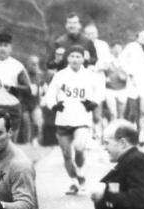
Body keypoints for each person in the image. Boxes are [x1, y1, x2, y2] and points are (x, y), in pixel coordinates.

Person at [45, 45, 104, 195]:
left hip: (82, 118)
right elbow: (50, 94)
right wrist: (54, 105)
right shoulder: (60, 75)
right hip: (63, 119)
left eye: (78, 56)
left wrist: (94, 103)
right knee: (66, 154)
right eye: (72, 56)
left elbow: (100, 92)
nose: (75, 59)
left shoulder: (90, 75)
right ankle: (73, 182)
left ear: (83, 58)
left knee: (79, 147)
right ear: (67, 58)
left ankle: (81, 172)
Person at [0, 32, 31, 143]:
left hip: (12, 107)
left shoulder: (17, 66)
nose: (3, 48)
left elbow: (28, 88)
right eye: (0, 45)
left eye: (5, 45)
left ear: (10, 48)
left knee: (10, 143)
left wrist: (14, 89)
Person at [121, 31, 144, 145]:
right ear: (137, 38)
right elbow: (122, 61)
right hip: (133, 83)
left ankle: (142, 135)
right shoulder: (130, 47)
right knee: (133, 112)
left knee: (143, 111)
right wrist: (129, 72)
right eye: (142, 37)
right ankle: (133, 133)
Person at [84, 23, 110, 140]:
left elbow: (106, 64)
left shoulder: (103, 45)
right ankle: (88, 134)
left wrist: (95, 68)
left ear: (97, 34)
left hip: (98, 77)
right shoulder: (82, 45)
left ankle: (98, 132)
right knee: (86, 104)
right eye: (88, 33)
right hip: (85, 78)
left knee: (98, 105)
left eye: (93, 33)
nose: (90, 36)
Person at [22, 56, 46, 145]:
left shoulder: (40, 75)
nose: (35, 66)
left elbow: (44, 86)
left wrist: (43, 92)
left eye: (36, 64)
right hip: (24, 103)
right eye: (32, 64)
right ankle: (27, 142)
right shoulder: (23, 74)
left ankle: (36, 141)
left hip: (35, 103)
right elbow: (18, 87)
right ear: (28, 64)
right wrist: (28, 88)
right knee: (26, 123)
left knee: (38, 122)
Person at [104, 42, 128, 120]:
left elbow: (131, 74)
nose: (117, 50)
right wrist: (105, 78)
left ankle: (120, 130)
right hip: (110, 90)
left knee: (121, 114)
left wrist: (125, 77)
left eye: (119, 48)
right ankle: (112, 131)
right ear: (111, 49)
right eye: (115, 48)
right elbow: (99, 72)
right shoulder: (106, 60)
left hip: (122, 89)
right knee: (113, 113)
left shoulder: (126, 60)